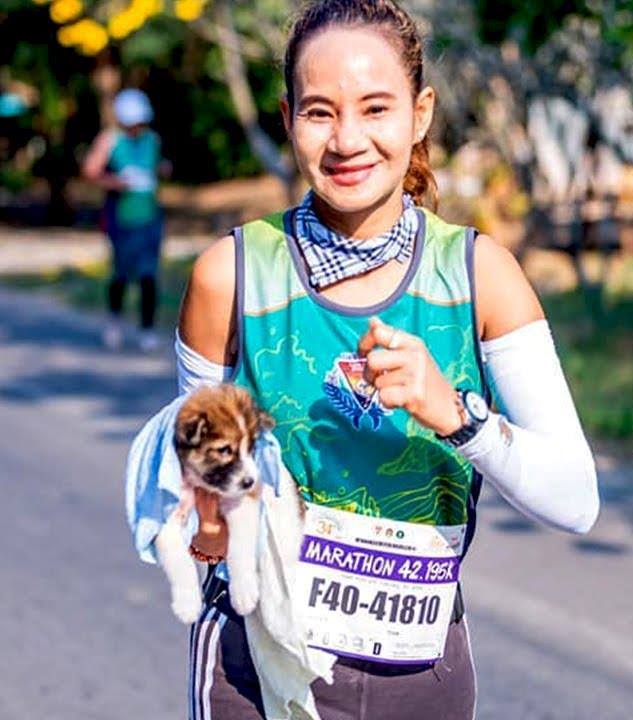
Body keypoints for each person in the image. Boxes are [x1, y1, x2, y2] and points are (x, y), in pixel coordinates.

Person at [157, 1, 599, 718]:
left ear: (419, 114)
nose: (347, 140)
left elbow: (575, 501)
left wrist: (454, 413)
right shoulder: (230, 276)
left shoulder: (479, 275)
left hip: (420, 674)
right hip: (259, 666)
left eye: (375, 108)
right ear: (287, 116)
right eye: (320, 112)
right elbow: (182, 497)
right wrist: (206, 520)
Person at [83, 88, 168, 352]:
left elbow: (158, 166)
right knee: (120, 273)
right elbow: (90, 170)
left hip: (150, 216)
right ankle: (115, 320)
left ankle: (147, 329)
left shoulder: (152, 140)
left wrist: (162, 169)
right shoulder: (110, 139)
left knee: (148, 275)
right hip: (121, 218)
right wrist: (115, 182)